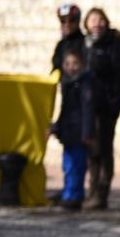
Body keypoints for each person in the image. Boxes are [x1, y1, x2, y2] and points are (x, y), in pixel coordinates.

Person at [81, 7, 120, 210]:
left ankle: (101, 194)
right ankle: (91, 190)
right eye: (92, 20)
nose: (96, 23)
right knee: (91, 148)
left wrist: (114, 101)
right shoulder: (85, 44)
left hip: (106, 105)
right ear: (86, 24)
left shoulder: (114, 44)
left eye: (100, 19)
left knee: (103, 148)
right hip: (88, 106)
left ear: (106, 21)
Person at [48, 49, 95, 210]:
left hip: (79, 133)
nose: (71, 67)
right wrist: (55, 128)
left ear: (82, 65)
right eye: (67, 64)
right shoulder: (67, 83)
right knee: (68, 166)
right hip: (68, 132)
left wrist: (87, 133)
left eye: (75, 63)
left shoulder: (84, 84)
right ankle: (69, 193)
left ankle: (74, 197)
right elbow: (64, 110)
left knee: (77, 166)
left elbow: (87, 109)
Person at [52, 3, 84, 73]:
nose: (67, 24)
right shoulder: (60, 45)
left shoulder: (86, 42)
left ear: (78, 21)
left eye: (71, 20)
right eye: (63, 21)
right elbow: (55, 68)